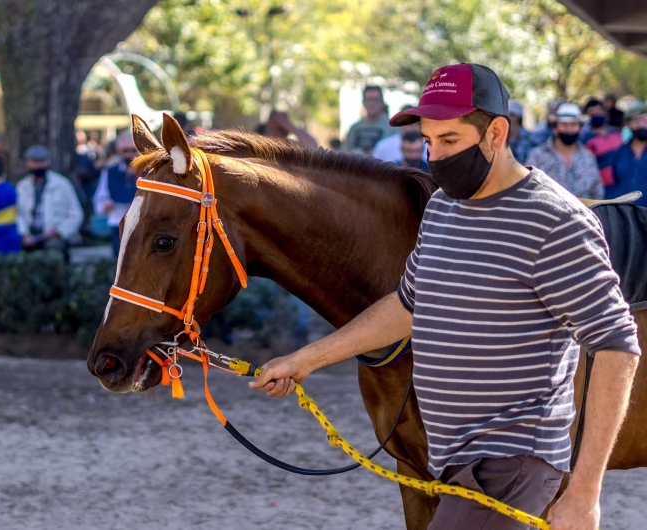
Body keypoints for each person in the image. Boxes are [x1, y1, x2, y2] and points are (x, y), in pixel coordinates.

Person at [250, 62, 640, 530]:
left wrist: (585, 493)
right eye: (430, 141)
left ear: (497, 132)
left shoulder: (553, 221)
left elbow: (617, 347)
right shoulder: (442, 208)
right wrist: (308, 358)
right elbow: (407, 305)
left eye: (450, 141)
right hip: (453, 456)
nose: (435, 158)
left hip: (513, 461)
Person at [16, 145, 83, 259]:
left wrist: (58, 231)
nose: (38, 166)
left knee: (53, 250)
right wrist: (24, 233)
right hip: (30, 234)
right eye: (34, 162)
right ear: (28, 164)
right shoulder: (22, 186)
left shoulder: (62, 184)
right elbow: (18, 214)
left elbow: (76, 214)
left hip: (55, 235)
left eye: (41, 162)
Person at [526, 103, 603, 199]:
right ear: (555, 128)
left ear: (580, 129)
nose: (569, 129)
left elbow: (597, 192)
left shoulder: (588, 157)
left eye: (573, 124)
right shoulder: (537, 156)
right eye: (564, 124)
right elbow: (528, 191)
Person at [93, 133, 138, 256]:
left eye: (133, 150)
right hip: (118, 223)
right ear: (119, 152)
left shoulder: (149, 173)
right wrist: (105, 206)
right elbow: (100, 198)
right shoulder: (110, 172)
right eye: (125, 151)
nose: (130, 154)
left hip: (142, 224)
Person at [608, 103, 647, 206]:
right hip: (625, 214)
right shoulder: (619, 152)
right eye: (636, 120)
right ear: (627, 124)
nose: (641, 125)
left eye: (645, 119)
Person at [581, 98, 623, 190]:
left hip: (622, 184)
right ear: (587, 115)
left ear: (605, 112)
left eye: (599, 110)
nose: (596, 113)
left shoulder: (616, 133)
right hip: (601, 189)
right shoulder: (585, 139)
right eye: (592, 111)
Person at [343, 85, 396, 154]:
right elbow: (345, 153)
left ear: (382, 102)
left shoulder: (393, 128)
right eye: (368, 100)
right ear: (363, 102)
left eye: (375, 100)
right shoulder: (354, 128)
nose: (371, 104)